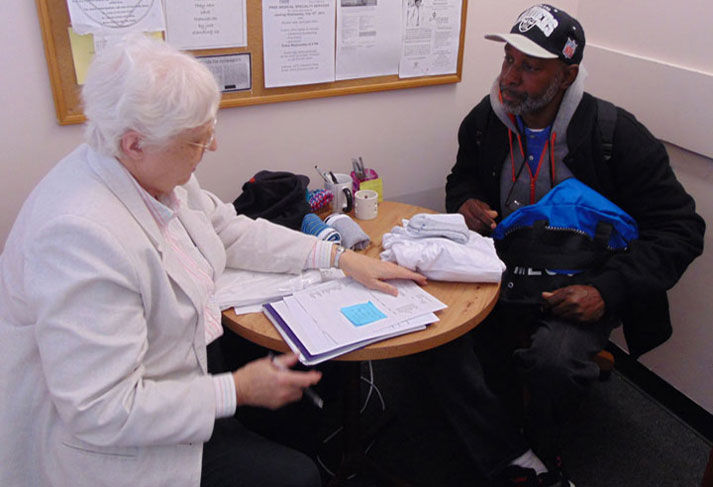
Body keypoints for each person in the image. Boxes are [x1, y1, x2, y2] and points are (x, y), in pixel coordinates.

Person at [0, 35, 426, 487]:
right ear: (133, 143)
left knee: (309, 401)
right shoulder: (80, 236)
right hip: (120, 443)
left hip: (181, 367)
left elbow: (227, 227)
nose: (213, 147)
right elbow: (103, 410)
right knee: (295, 475)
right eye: (197, 140)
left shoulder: (148, 169)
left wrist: (339, 258)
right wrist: (235, 390)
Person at [438, 4, 704, 486]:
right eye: (509, 60)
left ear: (567, 74)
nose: (511, 78)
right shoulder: (486, 120)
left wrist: (608, 291)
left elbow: (682, 228)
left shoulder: (616, 135)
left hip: (583, 283)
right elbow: (463, 178)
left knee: (554, 362)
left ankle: (543, 454)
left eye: (531, 67)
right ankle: (508, 450)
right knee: (443, 337)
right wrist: (468, 201)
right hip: (505, 271)